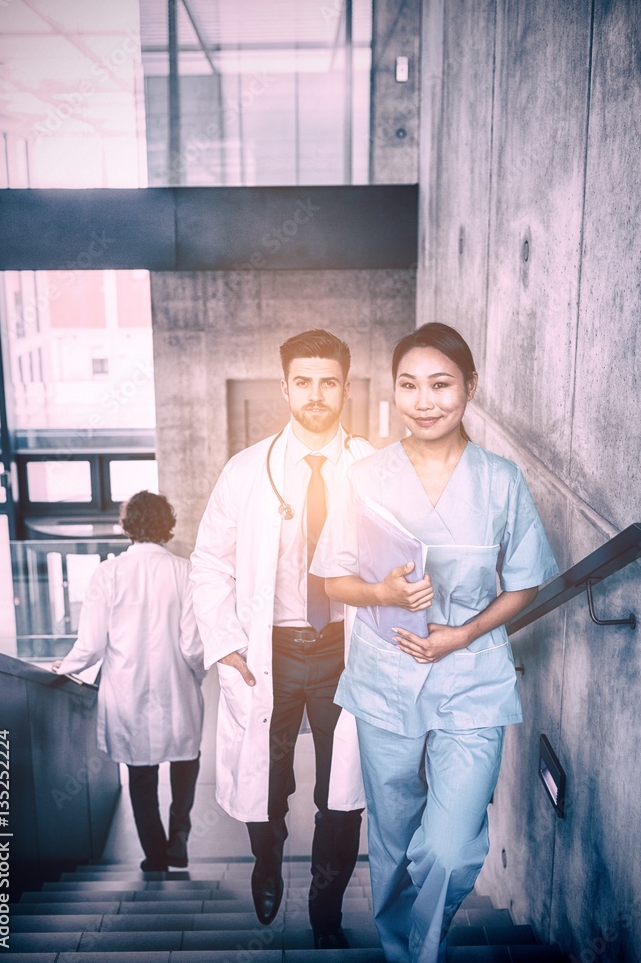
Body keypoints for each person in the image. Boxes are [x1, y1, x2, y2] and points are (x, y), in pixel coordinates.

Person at [311, 322, 559, 963]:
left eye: (441, 385)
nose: (424, 401)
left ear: (470, 388)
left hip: (471, 677)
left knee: (447, 849)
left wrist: (465, 634)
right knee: (391, 839)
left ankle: (424, 944)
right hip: (385, 675)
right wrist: (384, 594)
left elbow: (526, 583)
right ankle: (405, 951)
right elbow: (333, 577)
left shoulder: (501, 482)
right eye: (409, 385)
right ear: (394, 392)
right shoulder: (363, 478)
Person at [190, 329, 374, 948]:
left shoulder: (375, 468)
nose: (316, 394)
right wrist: (224, 643)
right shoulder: (246, 471)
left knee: (342, 788)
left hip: (345, 652)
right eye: (304, 381)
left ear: (345, 387)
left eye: (328, 381)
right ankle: (266, 862)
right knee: (265, 780)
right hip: (268, 650)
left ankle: (327, 908)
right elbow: (209, 562)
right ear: (286, 387)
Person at [53, 490, 205, 872]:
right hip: (176, 685)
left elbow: (89, 644)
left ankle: (154, 853)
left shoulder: (109, 573)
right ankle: (179, 839)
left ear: (127, 525)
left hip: (127, 688)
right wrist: (197, 677)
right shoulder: (185, 572)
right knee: (187, 758)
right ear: (167, 525)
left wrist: (64, 667)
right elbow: (192, 644)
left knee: (140, 772)